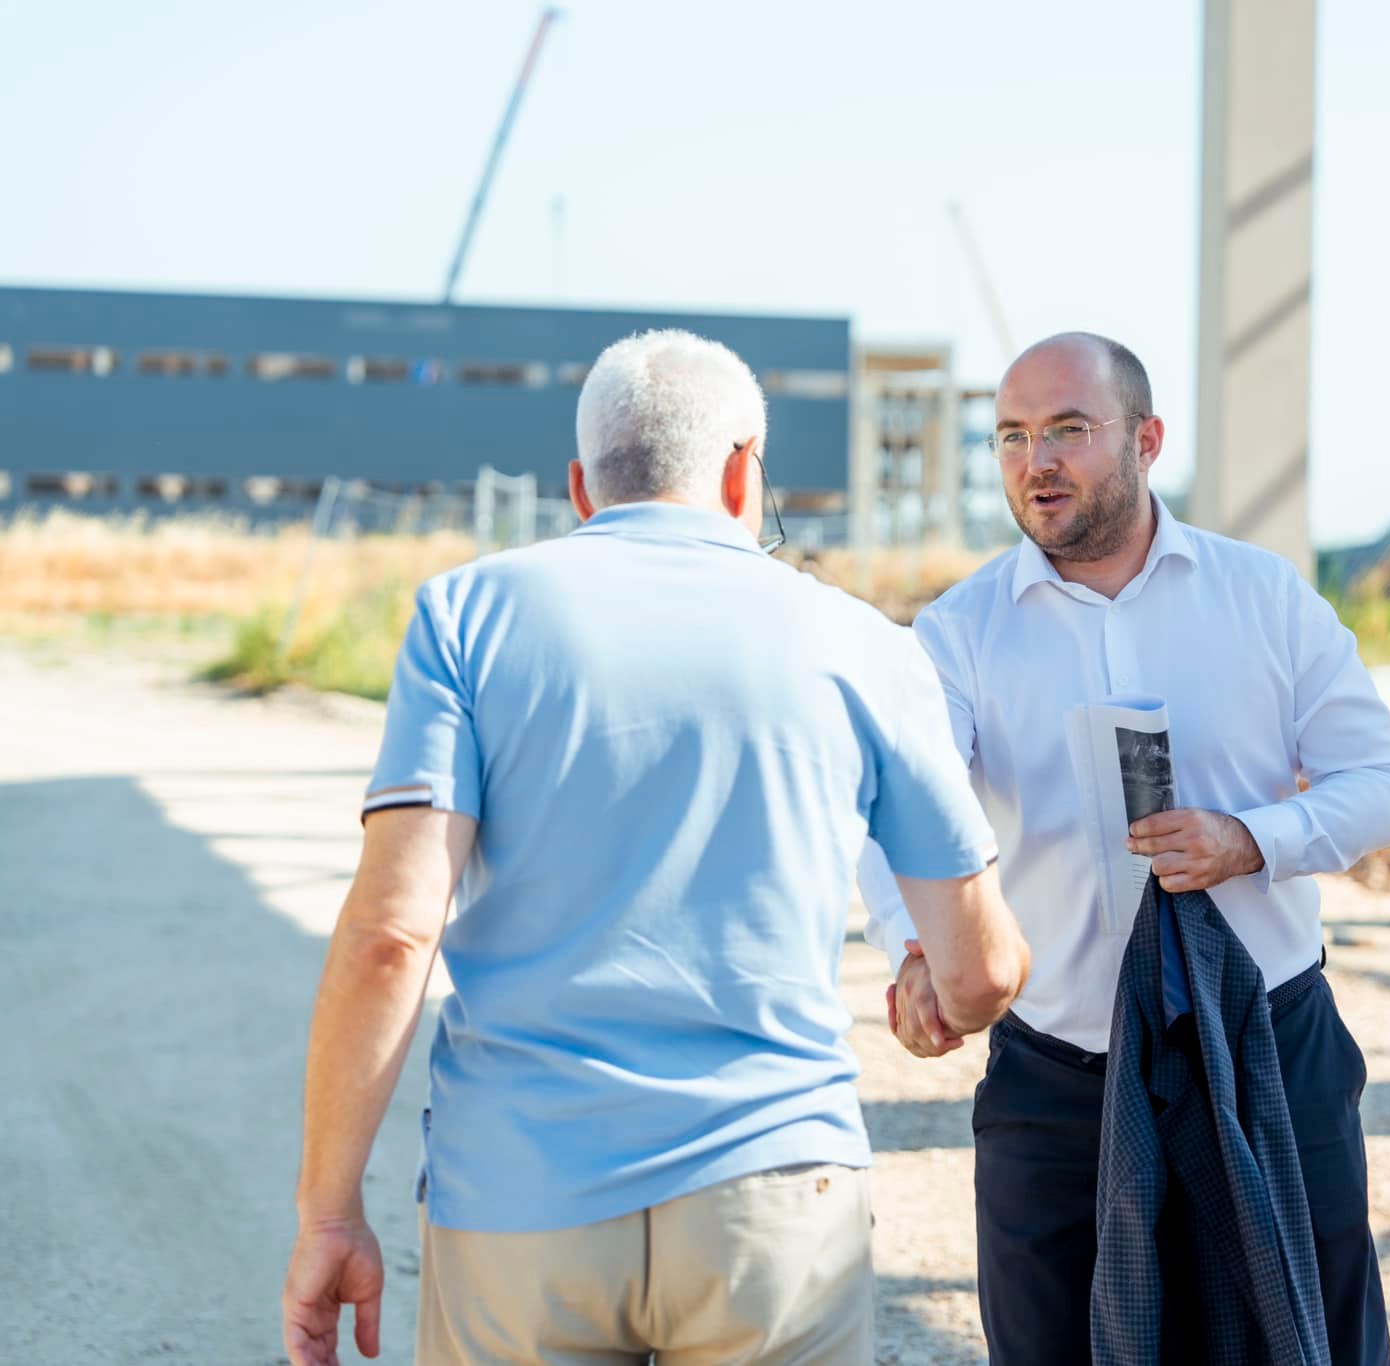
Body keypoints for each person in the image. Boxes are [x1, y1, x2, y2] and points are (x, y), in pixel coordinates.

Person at [280, 329, 1030, 1366]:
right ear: (740, 471)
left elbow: (391, 937)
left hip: (517, 1202)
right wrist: (937, 987)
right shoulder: (862, 641)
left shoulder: (466, 616)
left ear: (581, 486)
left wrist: (330, 1213)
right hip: (774, 1205)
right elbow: (982, 970)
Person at [860, 332, 1390, 1365]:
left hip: (1265, 1053)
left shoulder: (1264, 597)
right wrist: (913, 949)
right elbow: (895, 805)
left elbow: (1381, 787)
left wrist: (1249, 839)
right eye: (1013, 436)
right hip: (1057, 1072)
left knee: (1310, 1336)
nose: (1037, 461)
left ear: (1146, 438)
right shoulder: (958, 631)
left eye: (1068, 429)